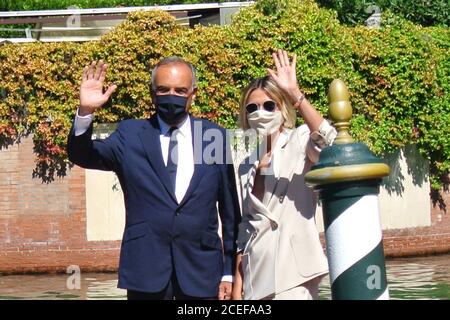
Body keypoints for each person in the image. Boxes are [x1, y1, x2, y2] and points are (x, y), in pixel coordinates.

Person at [67, 56, 241, 300]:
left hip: (202, 272)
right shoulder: (131, 134)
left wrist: (229, 272)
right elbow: (82, 155)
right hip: (145, 271)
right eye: (163, 90)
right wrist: (85, 112)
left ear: (193, 94)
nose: (172, 96)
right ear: (152, 93)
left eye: (180, 90)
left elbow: (230, 212)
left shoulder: (212, 136)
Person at [231, 50, 337, 300]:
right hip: (255, 272)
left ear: (282, 108)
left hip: (293, 271)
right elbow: (246, 228)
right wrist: (237, 286)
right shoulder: (246, 163)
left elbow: (331, 145)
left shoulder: (299, 140)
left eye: (269, 105)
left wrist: (296, 96)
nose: (261, 112)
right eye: (252, 107)